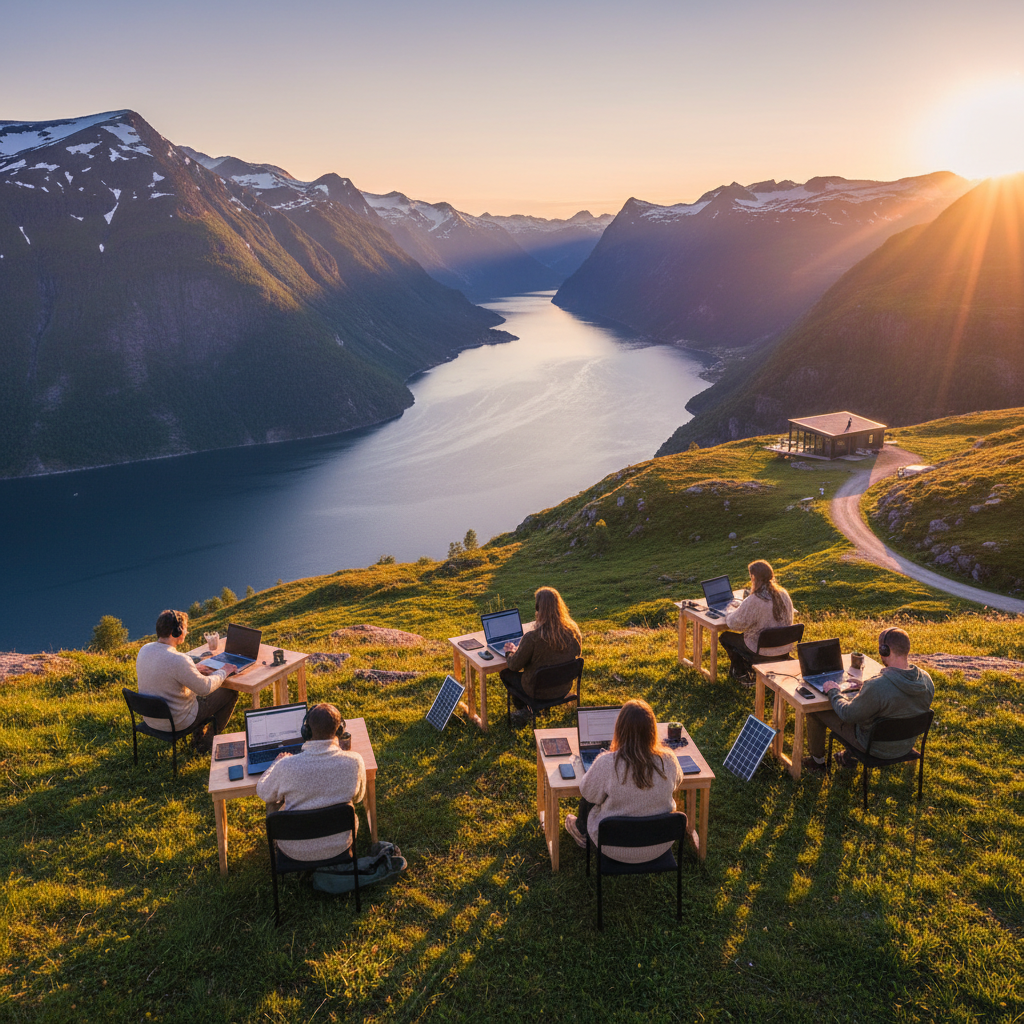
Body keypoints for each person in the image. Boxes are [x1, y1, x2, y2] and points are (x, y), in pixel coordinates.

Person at [564, 699, 684, 861]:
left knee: (591, 799)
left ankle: (579, 829)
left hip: (613, 847)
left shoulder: (607, 763)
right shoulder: (668, 760)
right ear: (653, 730)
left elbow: (587, 792)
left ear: (619, 730)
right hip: (659, 844)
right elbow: (678, 781)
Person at [803, 628, 934, 773]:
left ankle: (817, 762)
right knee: (869, 713)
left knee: (816, 712)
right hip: (905, 744)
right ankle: (848, 757)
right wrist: (865, 688)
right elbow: (900, 703)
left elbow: (848, 714)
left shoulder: (877, 686)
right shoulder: (926, 680)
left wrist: (833, 691)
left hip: (874, 747)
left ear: (885, 650)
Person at [256, 703, 366, 860]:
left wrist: (276, 763)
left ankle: (276, 849)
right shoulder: (355, 761)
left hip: (294, 850)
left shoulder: (286, 766)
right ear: (340, 730)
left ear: (306, 731)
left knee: (273, 800)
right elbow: (358, 798)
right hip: (340, 844)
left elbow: (264, 792)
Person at [135, 609, 238, 752]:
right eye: (185, 629)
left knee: (195, 692)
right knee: (229, 692)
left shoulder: (144, 649)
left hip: (150, 718)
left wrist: (192, 669)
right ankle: (205, 745)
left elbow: (166, 670)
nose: (186, 632)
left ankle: (198, 738)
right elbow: (205, 688)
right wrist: (224, 670)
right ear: (176, 632)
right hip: (177, 722)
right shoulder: (178, 660)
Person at [499, 586, 582, 728]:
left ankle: (527, 710)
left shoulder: (532, 638)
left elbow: (514, 665)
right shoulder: (572, 631)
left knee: (506, 673)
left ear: (538, 608)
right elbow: (577, 652)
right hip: (563, 687)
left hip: (537, 691)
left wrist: (510, 651)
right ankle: (530, 711)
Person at [717, 560, 795, 684]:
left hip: (762, 650)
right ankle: (750, 668)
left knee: (726, 637)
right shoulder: (783, 594)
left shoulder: (755, 600)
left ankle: (743, 673)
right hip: (783, 648)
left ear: (754, 577)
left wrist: (730, 610)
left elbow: (734, 624)